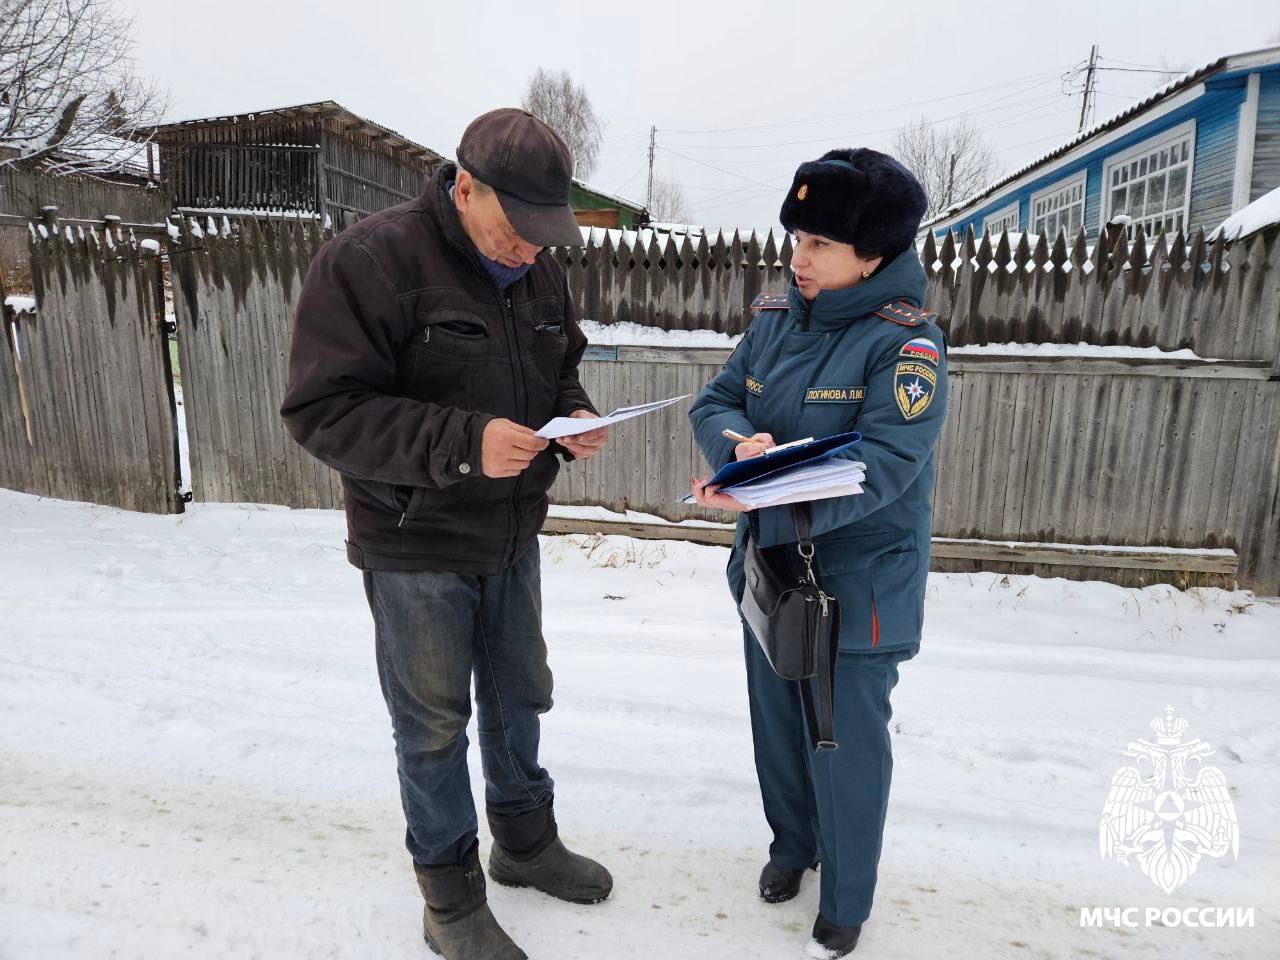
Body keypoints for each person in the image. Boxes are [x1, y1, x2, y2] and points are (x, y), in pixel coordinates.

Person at [281, 108, 612, 960]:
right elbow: (323, 412)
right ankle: (449, 898)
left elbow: (559, 360)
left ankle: (525, 845)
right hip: (413, 540)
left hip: (510, 529)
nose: (530, 249)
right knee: (432, 725)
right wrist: (464, 444)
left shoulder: (538, 272)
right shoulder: (368, 263)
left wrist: (569, 413)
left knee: (520, 693)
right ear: (464, 187)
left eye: (546, 233)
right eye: (516, 228)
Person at [688, 148, 946, 958]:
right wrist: (739, 445)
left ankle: (846, 899)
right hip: (770, 567)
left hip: (857, 581)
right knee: (777, 725)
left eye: (819, 245)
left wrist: (768, 485)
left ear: (875, 255)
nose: (797, 257)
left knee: (842, 741)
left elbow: (887, 464)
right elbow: (717, 398)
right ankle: (792, 847)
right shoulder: (774, 317)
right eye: (795, 237)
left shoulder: (906, 347)